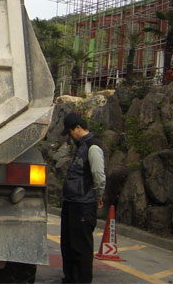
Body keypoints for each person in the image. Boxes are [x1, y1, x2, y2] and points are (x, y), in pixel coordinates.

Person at [60, 112, 106, 283]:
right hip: (72, 202)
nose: (70, 137)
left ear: (78, 128)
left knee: (81, 247)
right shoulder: (81, 146)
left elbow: (98, 175)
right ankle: (70, 278)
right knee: (69, 244)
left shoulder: (93, 147)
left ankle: (82, 280)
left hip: (84, 204)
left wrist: (99, 196)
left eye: (70, 132)